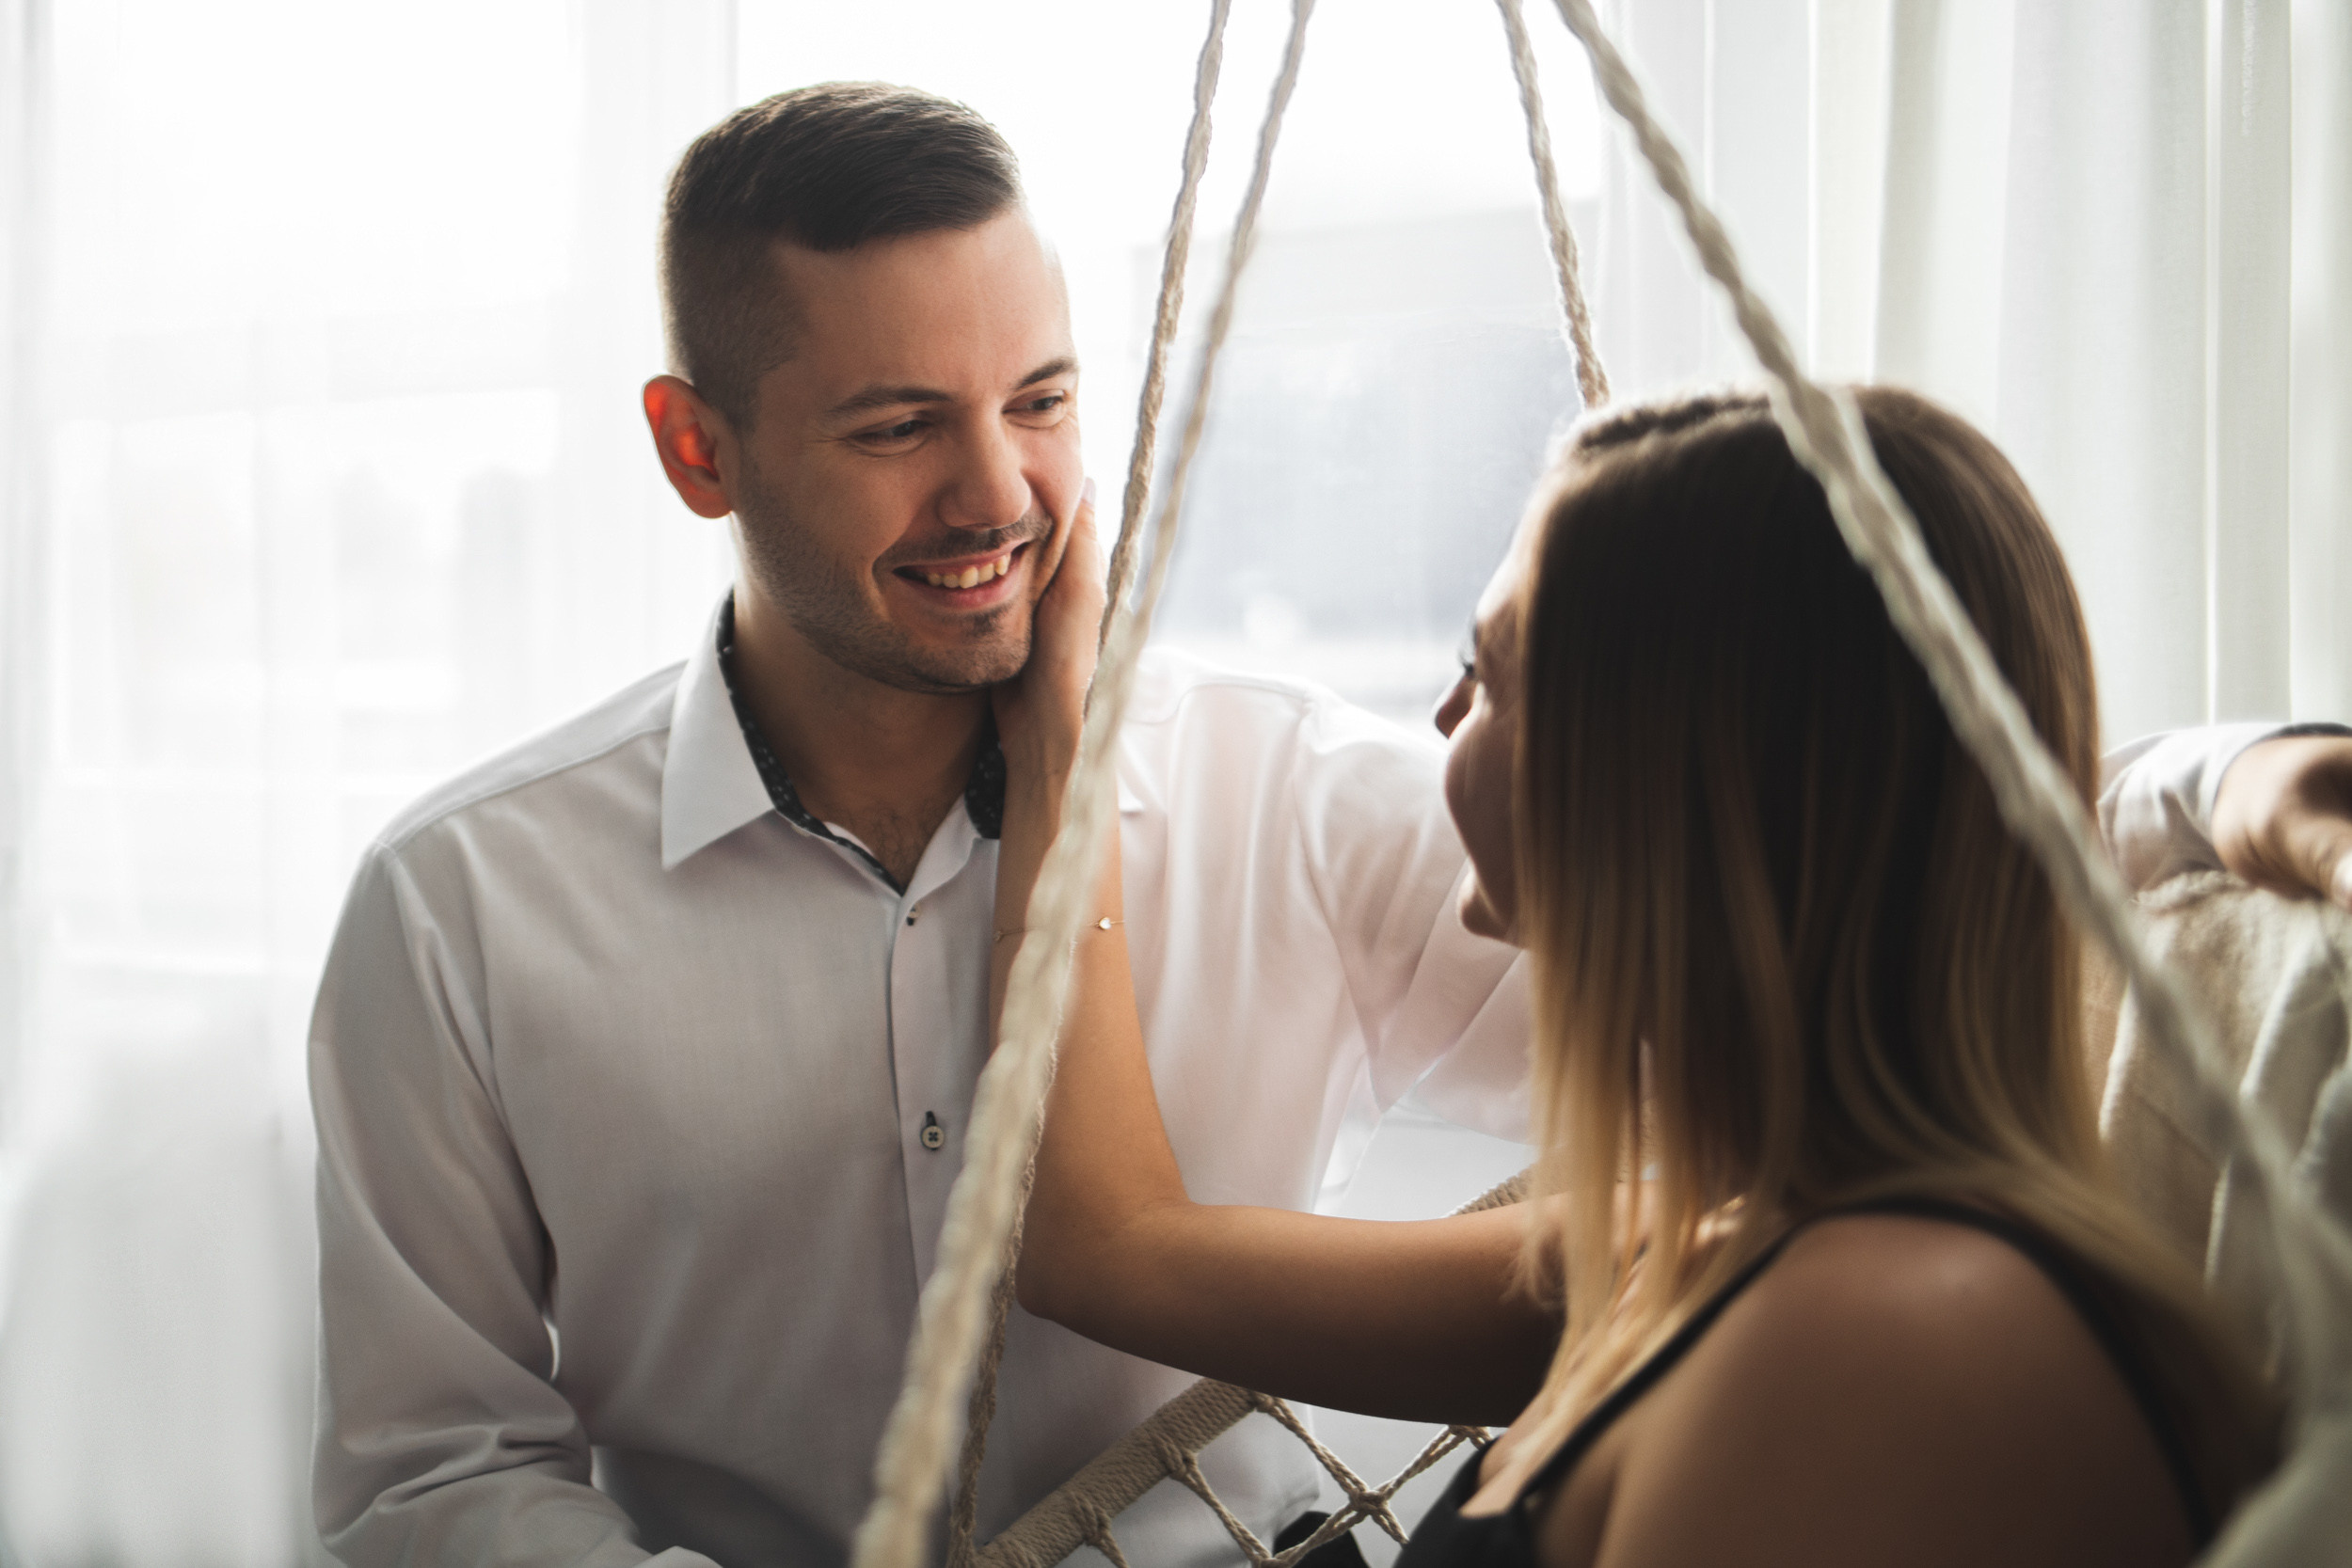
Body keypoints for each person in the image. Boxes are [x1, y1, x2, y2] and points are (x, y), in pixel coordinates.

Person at [307, 83, 2346, 1566]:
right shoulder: (460, 913)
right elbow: (426, 1474)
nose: (1004, 497)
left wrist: (2225, 779)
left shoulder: (1292, 802)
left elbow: (1884, 799)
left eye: (1038, 398)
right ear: (697, 448)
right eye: (897, 424)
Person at [1007, 388, 2286, 1568]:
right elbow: (1109, 1253)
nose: (1446, 724)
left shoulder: (1878, 1342)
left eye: (1492, 671)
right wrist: (1064, 738)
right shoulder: (1691, 1249)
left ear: (1666, 781)